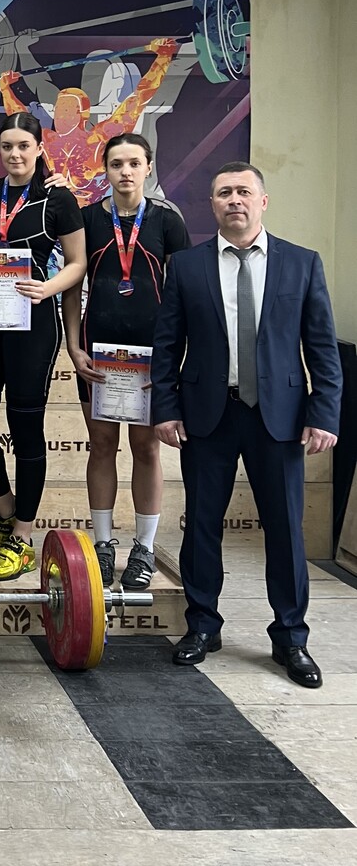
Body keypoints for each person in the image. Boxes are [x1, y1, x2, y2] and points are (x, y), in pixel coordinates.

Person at [151, 162, 342, 688]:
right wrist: (165, 408)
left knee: (285, 529)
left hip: (279, 418)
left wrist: (324, 413)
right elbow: (167, 346)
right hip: (207, 415)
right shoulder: (185, 267)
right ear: (212, 204)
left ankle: (291, 637)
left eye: (243, 191)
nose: (234, 200)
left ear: (263, 201)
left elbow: (322, 347)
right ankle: (202, 626)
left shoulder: (301, 263)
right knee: (202, 524)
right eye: (224, 193)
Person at [0, 112, 87, 580]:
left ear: (38, 148)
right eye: (7, 146)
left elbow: (77, 263)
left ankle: (23, 537)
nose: (15, 154)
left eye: (23, 146)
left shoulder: (58, 198)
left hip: (34, 323)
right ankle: (6, 509)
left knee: (25, 428)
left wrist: (47, 288)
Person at [61, 133, 190, 588]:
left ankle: (144, 549)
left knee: (146, 448)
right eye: (116, 164)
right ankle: (102, 544)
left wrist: (172, 360)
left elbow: (183, 295)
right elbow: (71, 286)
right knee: (101, 446)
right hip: (97, 355)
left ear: (148, 167)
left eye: (134, 163)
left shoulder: (167, 221)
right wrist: (73, 347)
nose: (126, 172)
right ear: (106, 170)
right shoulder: (86, 219)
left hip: (151, 360)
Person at [0, 38, 178, 205]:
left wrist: (163, 58)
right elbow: (19, 116)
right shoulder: (48, 140)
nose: (60, 115)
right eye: (59, 108)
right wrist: (5, 89)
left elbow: (139, 98)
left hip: (95, 211)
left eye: (67, 109)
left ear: (82, 115)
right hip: (60, 210)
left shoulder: (97, 140)